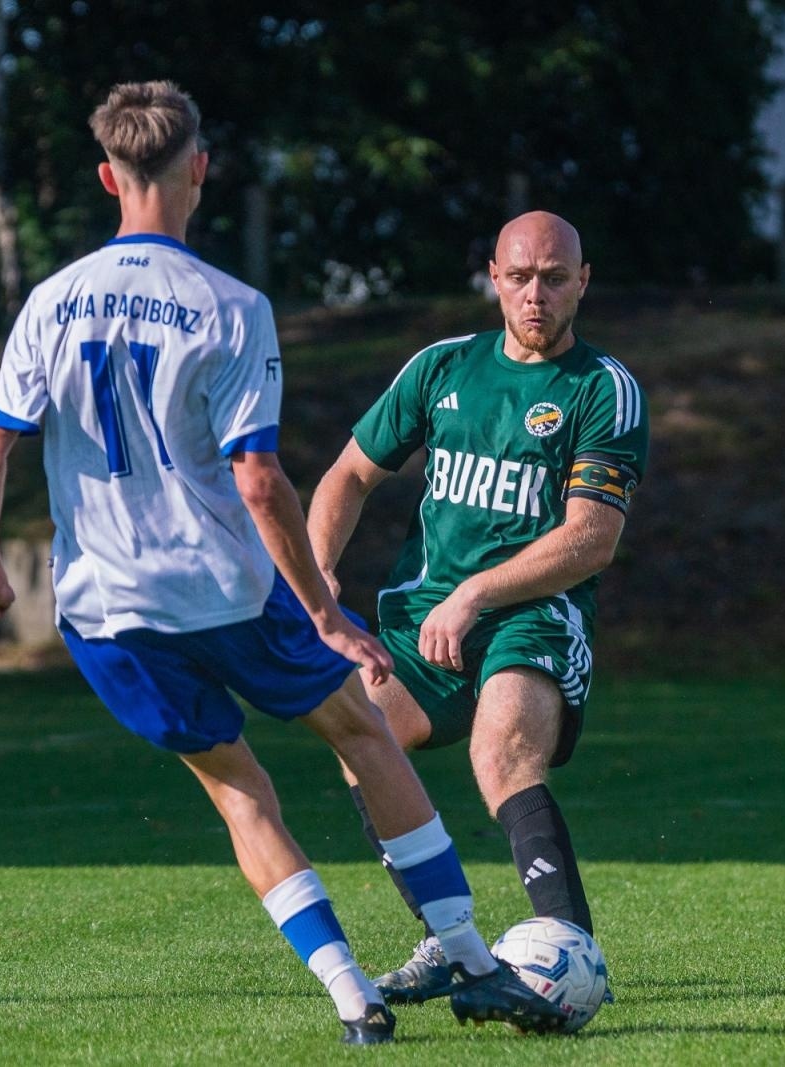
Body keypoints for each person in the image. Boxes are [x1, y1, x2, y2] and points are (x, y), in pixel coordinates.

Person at [0, 82, 565, 1044]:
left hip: (106, 612)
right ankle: (476, 959)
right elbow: (258, 478)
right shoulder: (228, 306)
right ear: (198, 168)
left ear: (110, 176)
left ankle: (352, 998)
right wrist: (322, 608)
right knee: (360, 730)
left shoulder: (50, 302)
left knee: (239, 788)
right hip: (224, 592)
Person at [307, 211, 647, 1006]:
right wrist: (319, 570)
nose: (537, 294)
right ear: (494, 277)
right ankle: (448, 940)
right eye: (521, 277)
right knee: (360, 733)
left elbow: (591, 538)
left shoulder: (603, 389)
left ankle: (567, 965)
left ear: (583, 281)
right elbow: (348, 475)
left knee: (501, 756)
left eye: (556, 278)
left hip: (534, 611)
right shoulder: (441, 368)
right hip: (423, 610)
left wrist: (476, 594)